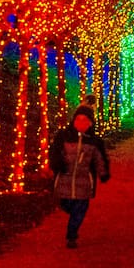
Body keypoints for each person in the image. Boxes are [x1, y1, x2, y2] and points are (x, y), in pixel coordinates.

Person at [48, 106, 110, 248]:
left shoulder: (93, 141)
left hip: (84, 181)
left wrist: (103, 173)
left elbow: (99, 159)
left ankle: (72, 236)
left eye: (85, 120)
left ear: (90, 123)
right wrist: (57, 164)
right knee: (64, 203)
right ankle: (72, 219)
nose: (81, 123)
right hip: (65, 178)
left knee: (80, 209)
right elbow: (55, 153)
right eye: (78, 119)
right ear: (73, 120)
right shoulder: (63, 136)